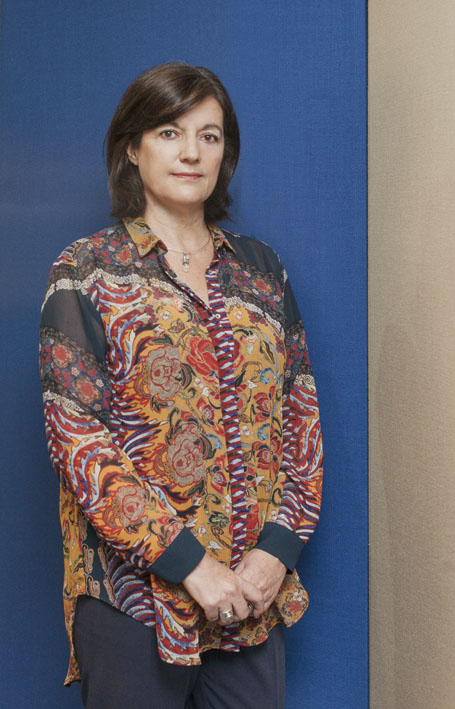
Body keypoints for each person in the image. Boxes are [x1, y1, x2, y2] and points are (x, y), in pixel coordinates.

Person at [39, 62, 323, 708]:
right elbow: (78, 442)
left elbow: (301, 420)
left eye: (209, 136)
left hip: (251, 598)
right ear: (131, 148)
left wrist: (275, 553)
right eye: (169, 132)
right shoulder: (85, 271)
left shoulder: (262, 271)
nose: (191, 152)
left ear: (226, 153)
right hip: (134, 602)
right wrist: (190, 564)